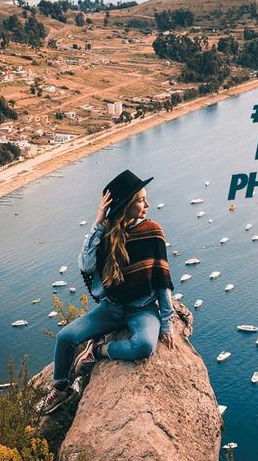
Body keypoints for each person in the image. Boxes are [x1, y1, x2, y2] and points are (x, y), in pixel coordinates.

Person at [40, 169, 175, 414]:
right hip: (110, 309)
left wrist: (166, 323)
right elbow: (86, 264)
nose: (147, 203)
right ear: (126, 205)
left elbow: (162, 279)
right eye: (141, 199)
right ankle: (61, 388)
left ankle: (97, 351)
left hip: (143, 310)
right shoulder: (105, 236)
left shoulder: (152, 231)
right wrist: (98, 223)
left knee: (144, 346)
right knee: (65, 338)